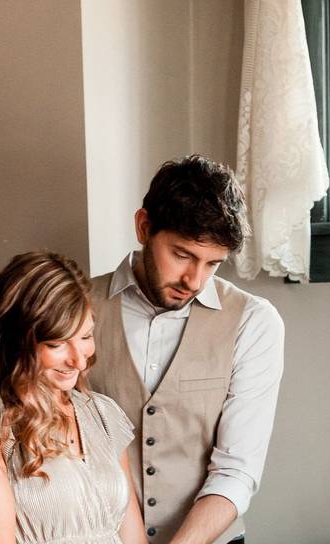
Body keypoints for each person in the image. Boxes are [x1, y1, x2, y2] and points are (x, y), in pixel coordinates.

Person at [88, 155, 285, 544]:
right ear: (144, 227)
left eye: (213, 264)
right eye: (183, 255)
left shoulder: (254, 322)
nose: (195, 280)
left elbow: (237, 469)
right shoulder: (76, 306)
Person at [0, 251, 148, 544]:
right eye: (57, 343)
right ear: (16, 340)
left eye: (85, 337)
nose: (79, 361)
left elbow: (133, 539)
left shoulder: (103, 414)